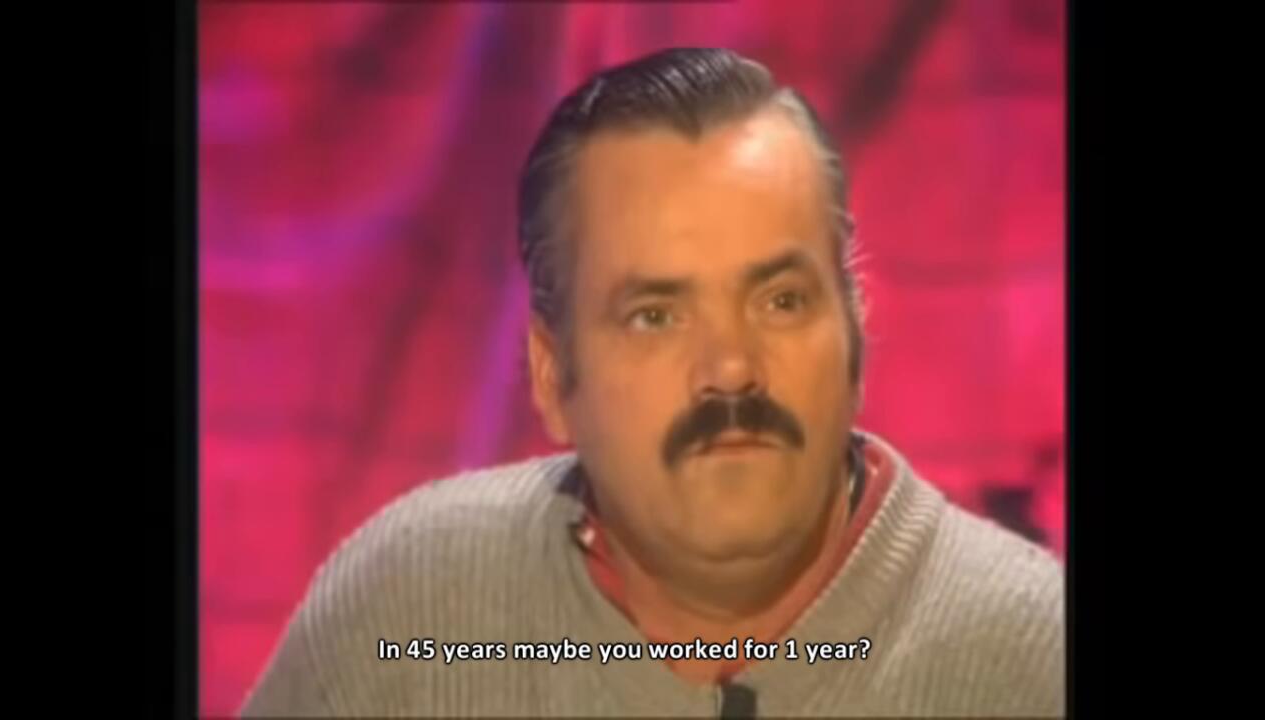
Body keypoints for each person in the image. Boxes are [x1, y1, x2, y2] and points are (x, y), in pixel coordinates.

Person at [240, 47, 1064, 718]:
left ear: (854, 328)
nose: (731, 369)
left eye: (781, 301)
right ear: (553, 377)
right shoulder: (409, 610)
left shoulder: (1036, 657)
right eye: (656, 316)